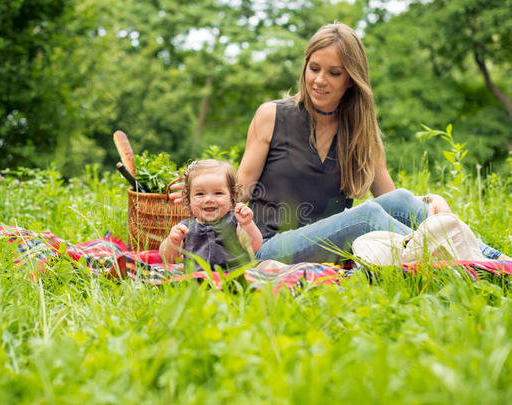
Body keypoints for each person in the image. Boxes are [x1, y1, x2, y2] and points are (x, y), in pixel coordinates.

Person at [172, 23, 507, 264]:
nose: (319, 80)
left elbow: (392, 200)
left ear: (351, 79)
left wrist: (431, 200)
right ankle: (454, 260)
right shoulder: (271, 115)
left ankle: (494, 259)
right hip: (266, 245)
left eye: (334, 73)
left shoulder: (360, 129)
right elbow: (239, 189)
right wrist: (202, 193)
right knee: (366, 217)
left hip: (331, 238)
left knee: (400, 200)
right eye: (314, 68)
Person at [159, 159, 263, 269]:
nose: (209, 199)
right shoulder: (185, 227)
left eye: (218, 193)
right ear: (188, 199)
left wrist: (247, 224)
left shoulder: (235, 220)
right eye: (200, 194)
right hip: (199, 279)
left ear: (231, 196)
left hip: (236, 275)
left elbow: (254, 246)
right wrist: (173, 241)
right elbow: (168, 259)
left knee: (269, 265)